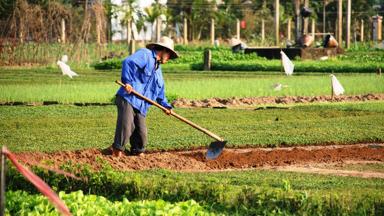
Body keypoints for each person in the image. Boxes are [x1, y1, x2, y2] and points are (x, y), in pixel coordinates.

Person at [111, 36, 179, 157]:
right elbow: (128, 62)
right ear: (164, 50)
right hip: (128, 98)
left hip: (141, 106)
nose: (169, 59)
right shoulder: (146, 54)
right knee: (126, 126)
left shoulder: (158, 72)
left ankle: (138, 154)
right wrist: (128, 82)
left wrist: (166, 106)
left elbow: (160, 93)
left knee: (141, 134)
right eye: (169, 55)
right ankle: (116, 153)